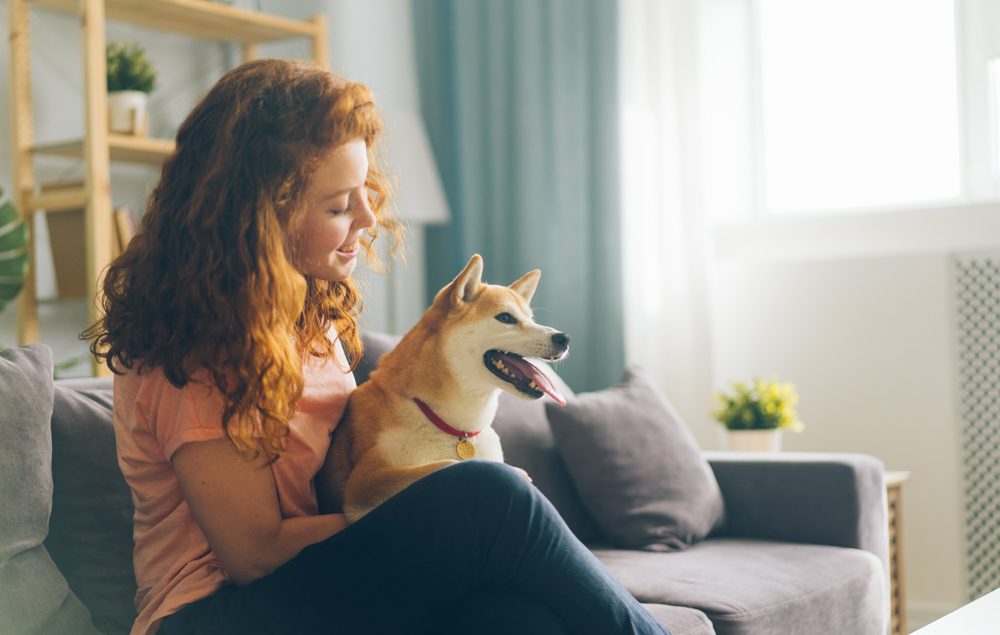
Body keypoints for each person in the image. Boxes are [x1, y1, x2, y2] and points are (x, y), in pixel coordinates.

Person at [84, 58, 670, 635]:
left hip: (323, 580)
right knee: (494, 495)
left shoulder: (312, 323)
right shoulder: (192, 352)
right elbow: (254, 554)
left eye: (364, 191)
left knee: (517, 619)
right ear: (259, 221)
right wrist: (436, 510)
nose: (368, 217)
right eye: (338, 206)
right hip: (213, 612)